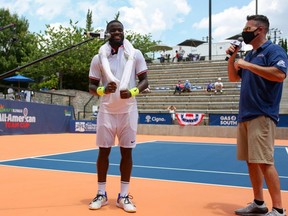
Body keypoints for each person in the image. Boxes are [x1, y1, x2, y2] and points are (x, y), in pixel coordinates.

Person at [226, 15, 287, 216]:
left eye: (248, 28)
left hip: (262, 113)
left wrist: (248, 65)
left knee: (264, 161)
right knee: (251, 161)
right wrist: (233, 58)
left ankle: (278, 209)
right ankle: (259, 203)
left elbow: (279, 75)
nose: (245, 31)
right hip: (246, 114)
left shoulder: (274, 50)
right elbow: (233, 78)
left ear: (259, 30)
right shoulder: (250, 55)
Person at [88, 19, 149, 213]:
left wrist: (132, 92)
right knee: (103, 152)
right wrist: (102, 89)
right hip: (106, 110)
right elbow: (90, 86)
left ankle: (123, 196)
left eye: (120, 30)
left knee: (127, 153)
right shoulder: (99, 58)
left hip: (128, 110)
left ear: (123, 32)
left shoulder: (135, 54)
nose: (117, 32)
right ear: (107, 33)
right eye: (113, 30)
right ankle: (101, 194)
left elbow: (145, 81)